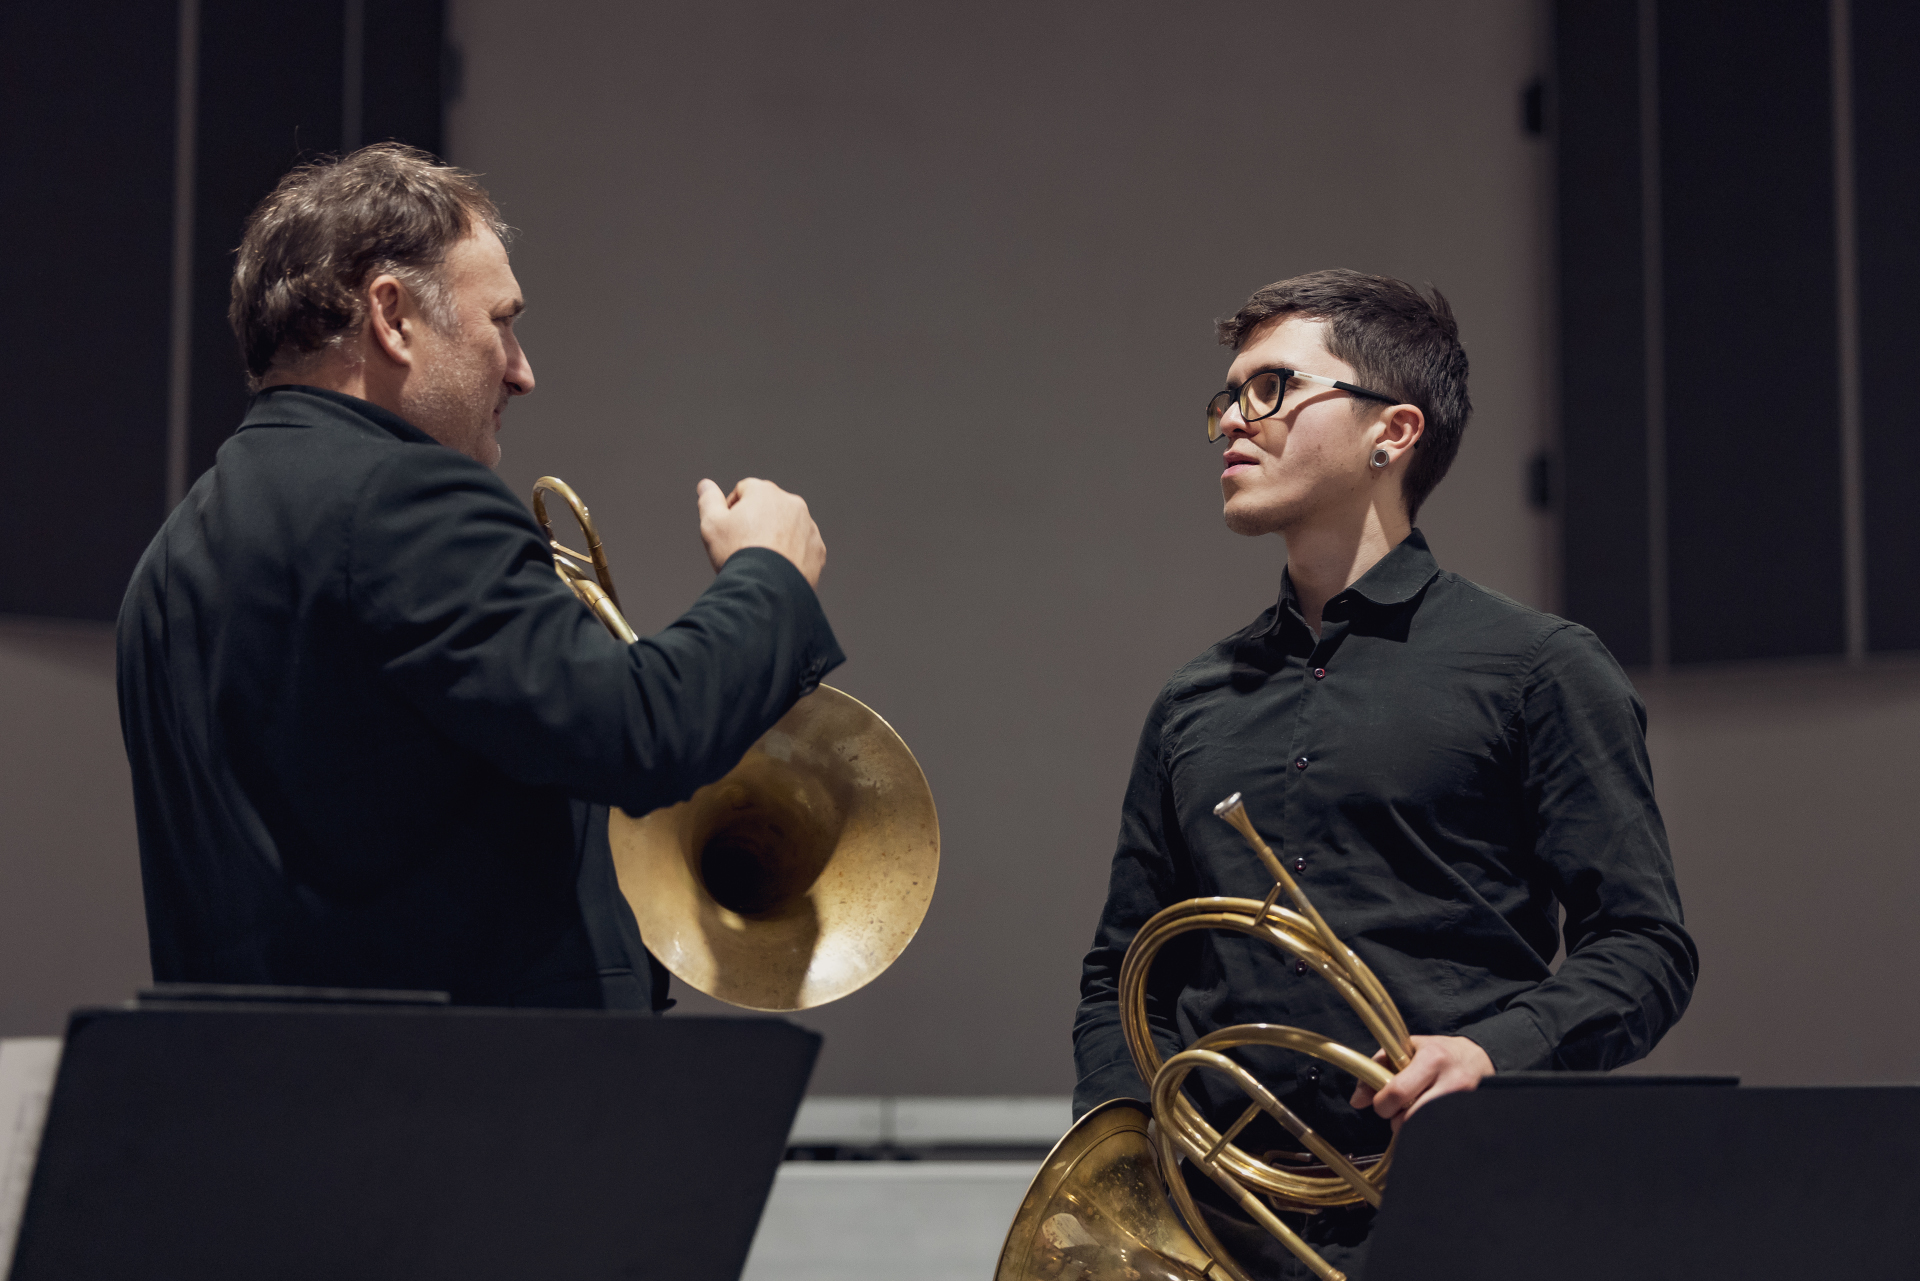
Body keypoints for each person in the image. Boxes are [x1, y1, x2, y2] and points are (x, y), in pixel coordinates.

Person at [1071, 269, 1697, 1277]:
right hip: (1216, 1225)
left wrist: (1496, 1051)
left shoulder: (1538, 668)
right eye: (1226, 396)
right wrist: (1124, 1183)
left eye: (1271, 388)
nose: (1233, 418)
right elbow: (1123, 977)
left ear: (1391, 431)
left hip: (1449, 1215)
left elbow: (1645, 949)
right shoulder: (1194, 699)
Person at [117, 143, 842, 1010]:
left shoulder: (166, 565)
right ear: (391, 314)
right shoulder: (400, 496)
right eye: (502, 320)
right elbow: (638, 730)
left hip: (277, 1111)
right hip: (474, 1108)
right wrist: (768, 577)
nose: (522, 369)